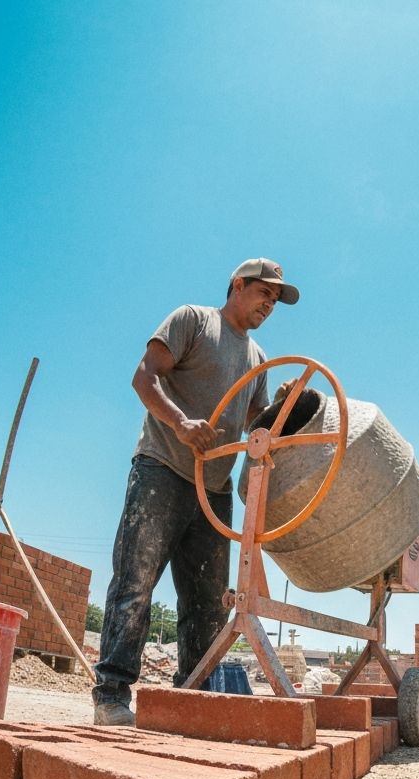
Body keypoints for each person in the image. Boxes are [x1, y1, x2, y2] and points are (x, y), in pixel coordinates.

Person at [93, 258, 300, 725]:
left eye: (275, 299)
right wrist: (181, 423)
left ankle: (190, 698)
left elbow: (258, 426)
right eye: (264, 293)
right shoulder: (193, 320)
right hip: (162, 469)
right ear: (238, 285)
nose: (270, 304)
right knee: (134, 585)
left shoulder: (258, 359)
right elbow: (144, 376)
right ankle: (111, 695)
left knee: (207, 605)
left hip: (214, 490)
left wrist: (285, 406)